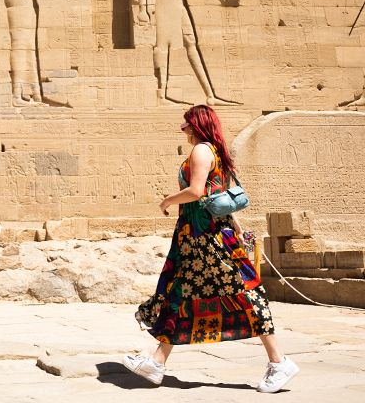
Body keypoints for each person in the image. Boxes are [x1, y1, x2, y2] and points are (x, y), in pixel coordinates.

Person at [122, 105, 299, 393]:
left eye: (186, 125)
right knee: (180, 294)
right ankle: (156, 362)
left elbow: (197, 192)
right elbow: (221, 200)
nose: (183, 130)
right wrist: (239, 231)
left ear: (197, 125)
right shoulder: (215, 152)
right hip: (199, 238)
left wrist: (167, 200)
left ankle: (279, 362)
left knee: (243, 294)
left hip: (207, 239)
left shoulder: (202, 151)